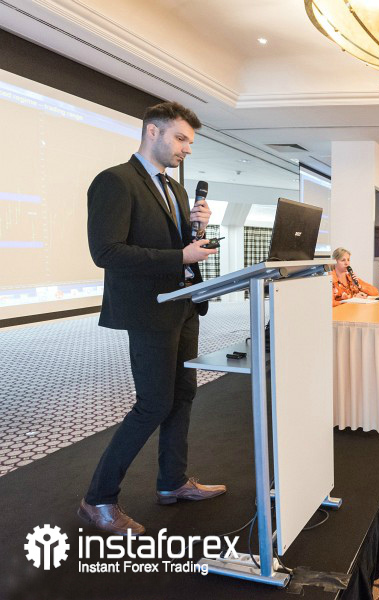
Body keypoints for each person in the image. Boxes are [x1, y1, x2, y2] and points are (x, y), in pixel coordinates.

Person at [80, 102, 223, 536]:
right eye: (180, 139)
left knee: (182, 395)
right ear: (152, 132)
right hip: (149, 308)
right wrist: (180, 256)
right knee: (153, 404)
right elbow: (106, 252)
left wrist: (197, 232)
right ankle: (97, 499)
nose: (186, 149)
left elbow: (178, 249)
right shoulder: (115, 181)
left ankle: (172, 482)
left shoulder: (176, 189)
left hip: (183, 304)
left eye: (190, 142)